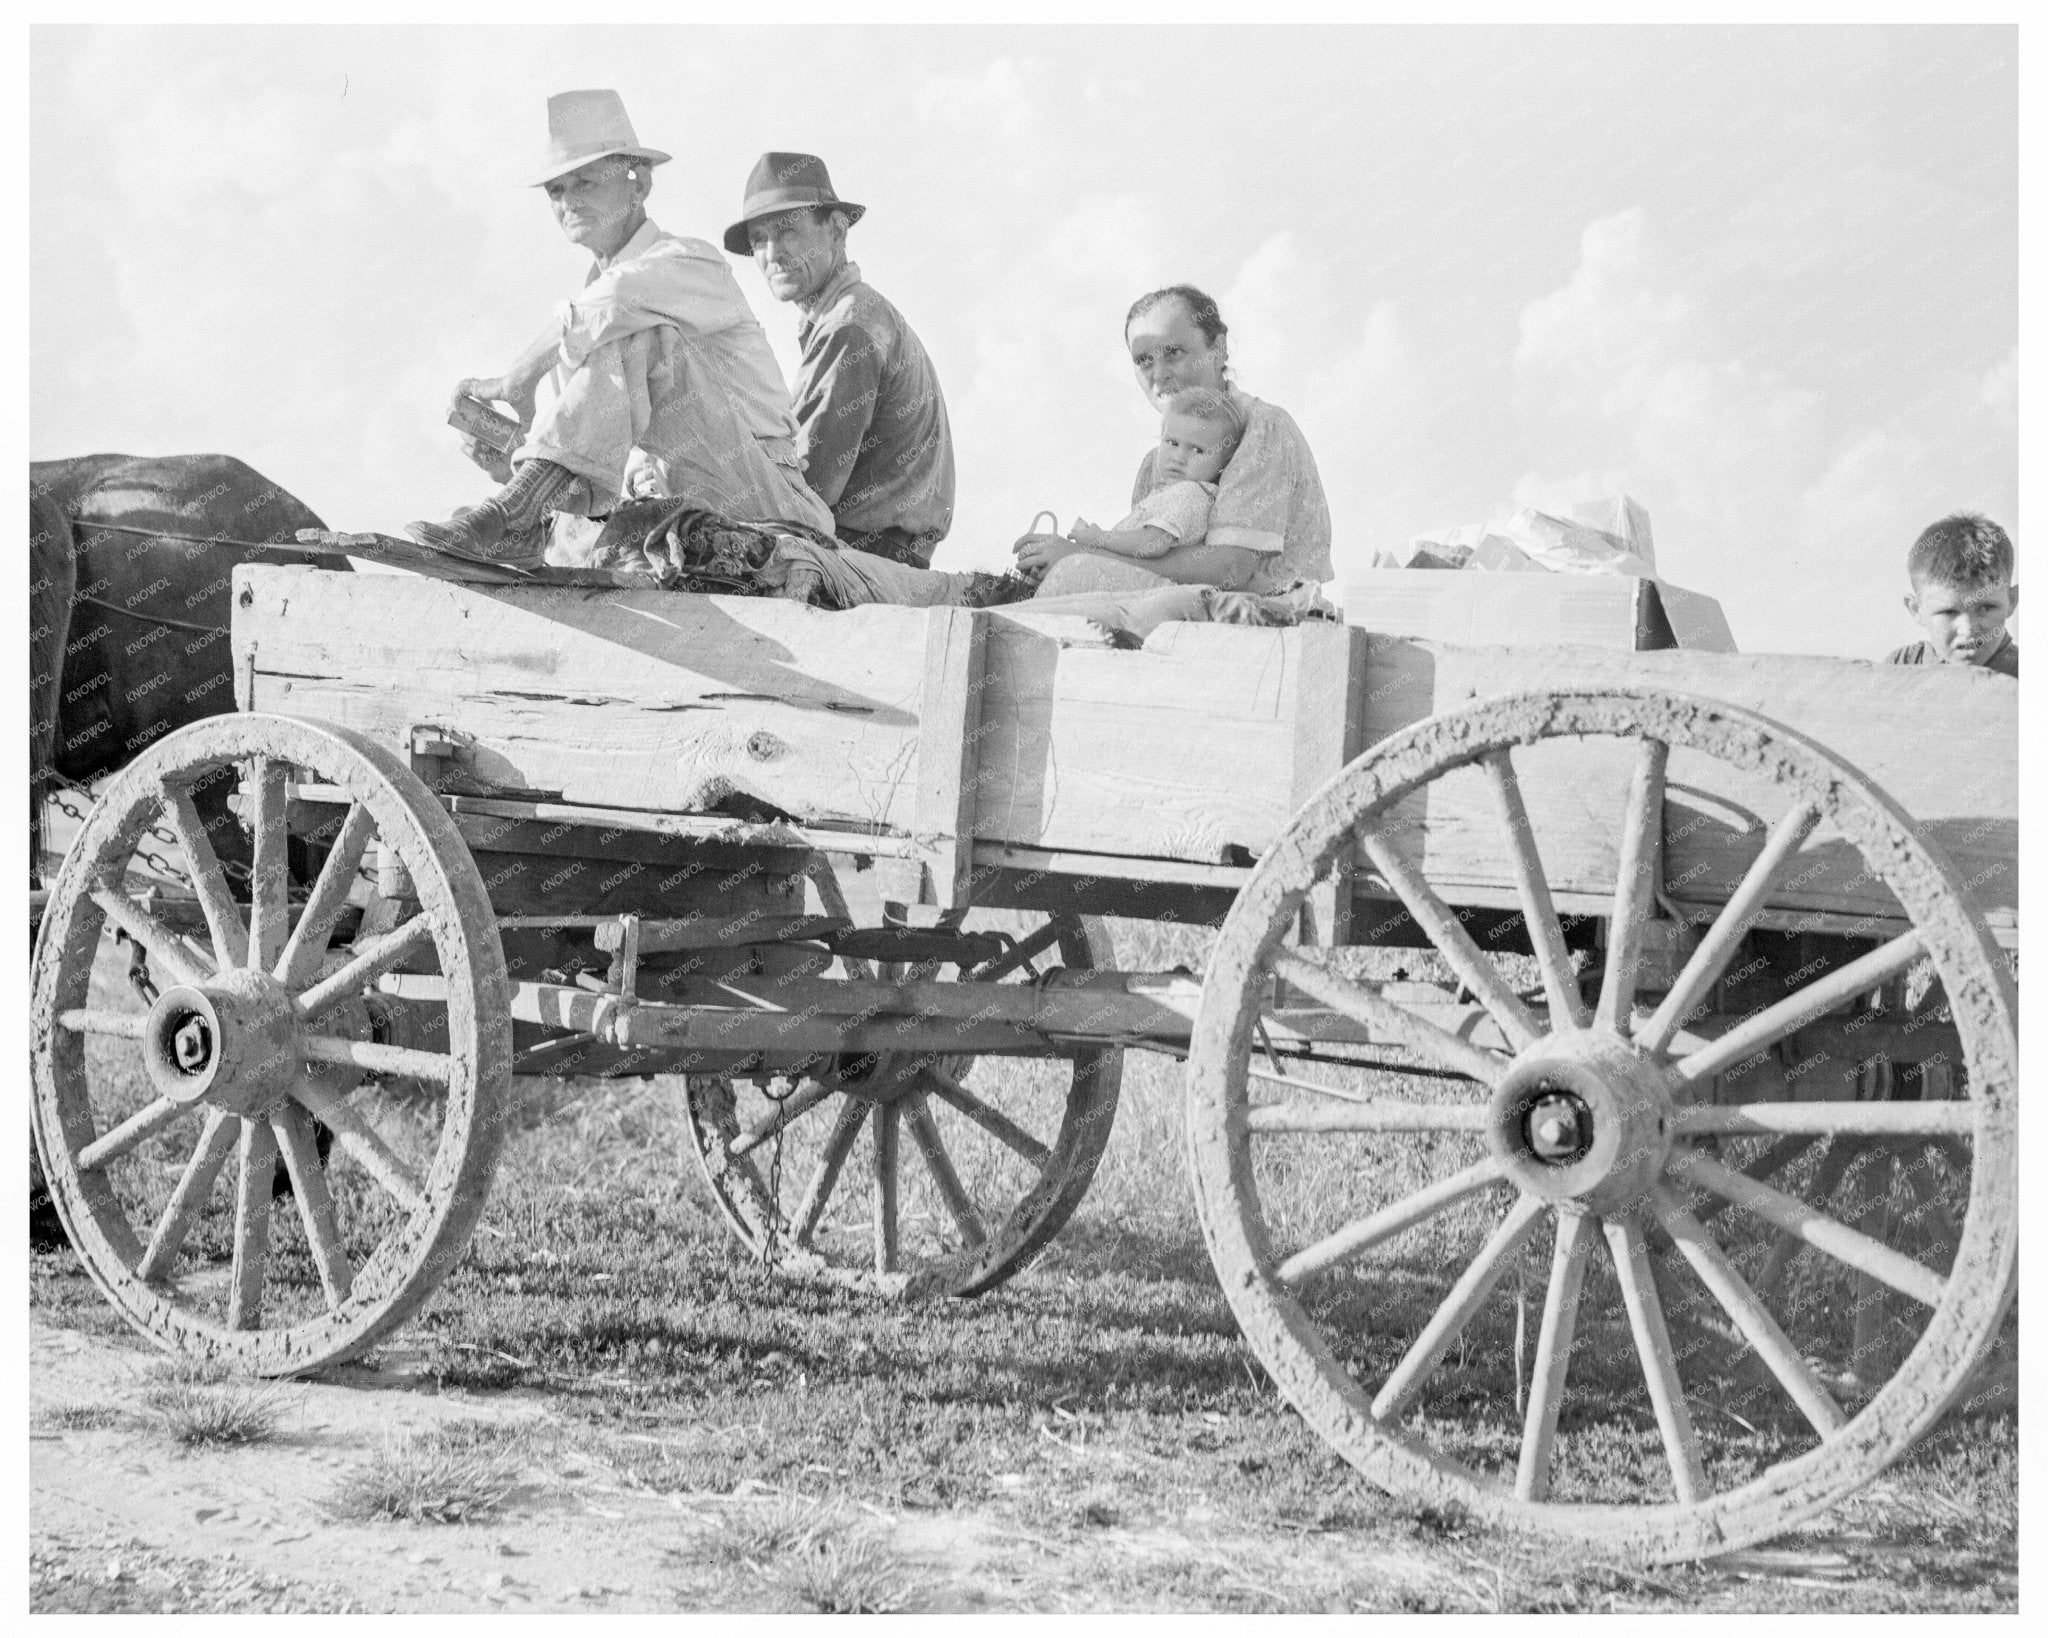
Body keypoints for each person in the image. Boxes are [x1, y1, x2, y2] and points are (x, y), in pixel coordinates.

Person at [409, 92, 834, 564]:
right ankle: (518, 513)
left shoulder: (687, 262)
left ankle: (512, 516)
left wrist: (516, 379)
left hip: (768, 499)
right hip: (678, 499)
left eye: (586, 182)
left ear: (640, 183)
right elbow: (590, 469)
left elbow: (616, 302)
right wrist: (509, 461)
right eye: (556, 190)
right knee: (489, 505)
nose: (569, 201)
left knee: (637, 331)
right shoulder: (586, 309)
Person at [1013, 284, 1333, 598]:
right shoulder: (1155, 464)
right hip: (1182, 619)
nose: (1159, 374)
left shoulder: (1263, 427)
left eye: (1174, 353)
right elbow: (1146, 570)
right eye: (1144, 360)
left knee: (1072, 576)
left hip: (1269, 619)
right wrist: (1051, 558)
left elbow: (1232, 568)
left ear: (1219, 349)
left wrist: (1081, 557)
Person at [726, 153, 956, 567]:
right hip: (882, 555)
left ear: (836, 229)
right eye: (759, 239)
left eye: (787, 230)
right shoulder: (854, 315)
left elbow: (805, 493)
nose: (772, 253)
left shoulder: (847, 325)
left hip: (868, 558)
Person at [1048, 388, 1244, 562]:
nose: (1178, 458)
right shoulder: (1169, 490)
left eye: (1198, 450)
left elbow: (1152, 543)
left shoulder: (1189, 493)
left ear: (1224, 462)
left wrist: (1099, 537)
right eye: (1172, 443)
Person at [1885, 513, 2019, 676]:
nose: (1968, 630)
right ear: (1916, 609)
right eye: (1949, 612)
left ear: (2011, 601)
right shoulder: (1902, 665)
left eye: (1986, 608)